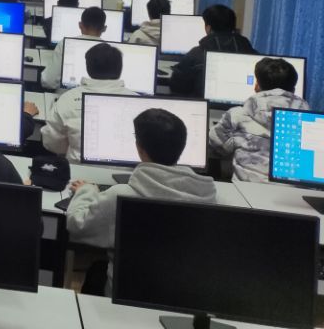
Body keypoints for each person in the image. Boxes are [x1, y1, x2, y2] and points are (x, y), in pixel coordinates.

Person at [65, 108, 217, 295]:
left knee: (97, 270)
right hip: (180, 296)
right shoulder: (207, 196)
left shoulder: (121, 197)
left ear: (139, 148)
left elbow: (77, 225)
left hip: (124, 294)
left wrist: (86, 191)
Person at [209, 58, 309, 183]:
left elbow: (214, 146)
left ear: (256, 86)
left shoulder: (237, 115)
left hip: (246, 192)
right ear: (293, 91)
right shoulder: (310, 122)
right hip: (294, 193)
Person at [42, 42, 139, 162]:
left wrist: (73, 147)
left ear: (88, 68)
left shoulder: (68, 99)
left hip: (77, 170)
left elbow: (51, 142)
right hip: (127, 171)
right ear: (120, 69)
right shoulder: (139, 103)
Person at [169, 4, 256, 98]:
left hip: (203, 105)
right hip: (245, 105)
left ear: (208, 28)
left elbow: (177, 86)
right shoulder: (253, 54)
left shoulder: (196, 54)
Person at [41, 6, 107, 91]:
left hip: (67, 96)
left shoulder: (64, 44)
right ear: (104, 28)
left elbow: (48, 81)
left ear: (80, 25)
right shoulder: (113, 51)